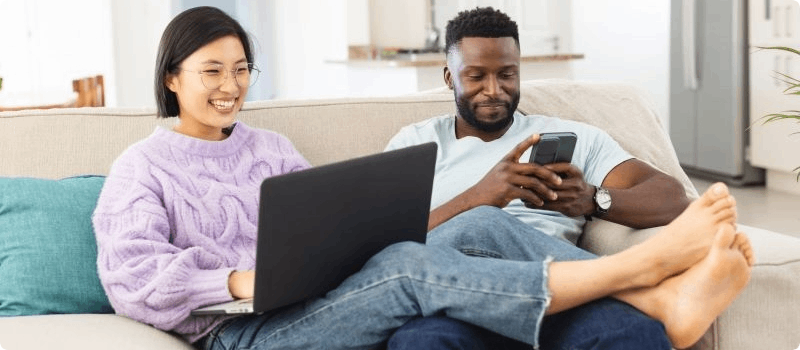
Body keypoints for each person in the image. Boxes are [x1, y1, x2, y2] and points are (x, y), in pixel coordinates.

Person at [92, 6, 754, 350]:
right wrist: (241, 280)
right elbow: (133, 280)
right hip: (240, 333)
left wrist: (326, 251)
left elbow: (321, 226)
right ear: (172, 76)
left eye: (242, 69)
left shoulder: (271, 147)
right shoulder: (140, 167)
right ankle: (645, 281)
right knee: (409, 266)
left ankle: (654, 295)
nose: (231, 86)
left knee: (480, 224)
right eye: (213, 71)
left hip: (310, 304)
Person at [383, 7, 755, 350]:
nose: (494, 90)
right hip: (457, 300)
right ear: (450, 77)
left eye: (507, 74)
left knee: (635, 334)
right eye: (476, 76)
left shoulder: (572, 136)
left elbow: (671, 197)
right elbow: (384, 246)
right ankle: (645, 278)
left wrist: (594, 199)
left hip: (566, 299)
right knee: (423, 341)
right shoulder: (415, 143)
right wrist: (480, 196)